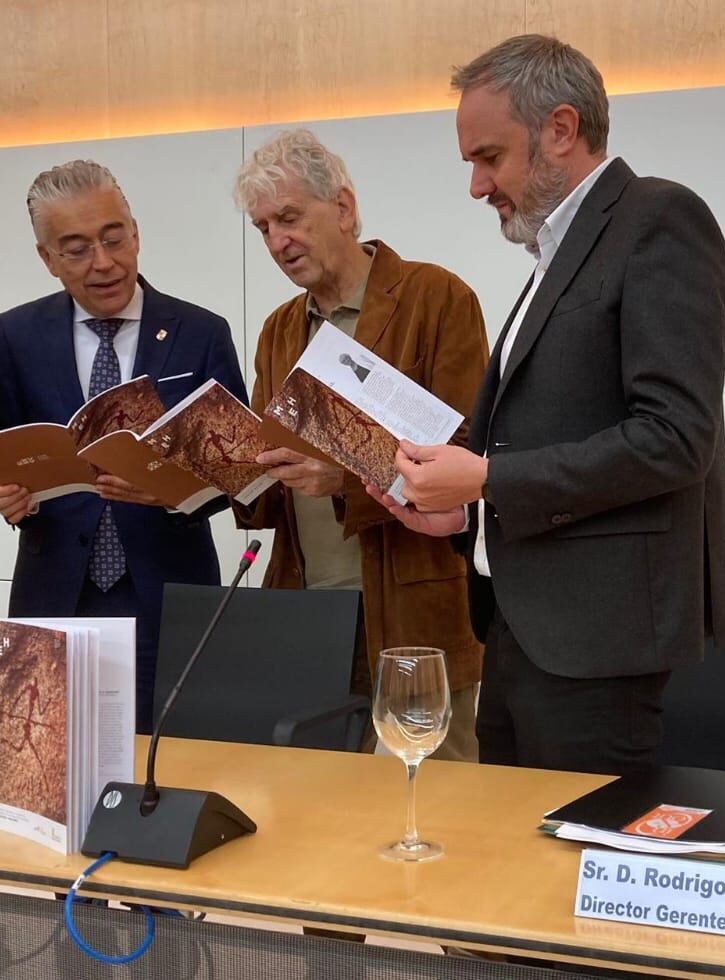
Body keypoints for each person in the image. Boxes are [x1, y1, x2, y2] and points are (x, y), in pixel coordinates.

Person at [373, 36, 725, 775]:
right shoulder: (561, 251)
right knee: (513, 878)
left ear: (560, 129)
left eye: (489, 157)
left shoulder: (659, 220)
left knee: (568, 881)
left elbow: (675, 438)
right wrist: (460, 513)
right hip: (521, 629)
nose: (478, 185)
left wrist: (484, 480)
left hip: (599, 646)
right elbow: (545, 436)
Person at [234, 129, 488, 761]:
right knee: (314, 816)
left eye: (289, 218)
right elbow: (274, 473)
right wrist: (223, 470)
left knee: (428, 803)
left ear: (343, 208)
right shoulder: (278, 329)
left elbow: (463, 458)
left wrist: (340, 477)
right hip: (306, 614)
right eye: (262, 227)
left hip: (411, 609)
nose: (276, 242)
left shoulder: (436, 299)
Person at [0, 160, 246, 733]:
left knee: (179, 767)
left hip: (170, 593)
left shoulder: (201, 332)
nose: (104, 263)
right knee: (46, 775)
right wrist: (2, 493)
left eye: (114, 238)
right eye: (75, 249)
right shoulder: (14, 335)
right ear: (46, 259)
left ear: (135, 232)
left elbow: (237, 474)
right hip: (55, 593)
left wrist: (173, 490)